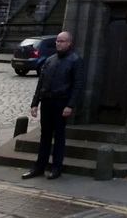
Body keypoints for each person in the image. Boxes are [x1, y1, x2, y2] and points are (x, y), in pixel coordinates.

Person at [23, 31, 85, 180]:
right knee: (45, 135)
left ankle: (56, 167)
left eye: (62, 41)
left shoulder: (75, 60)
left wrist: (70, 105)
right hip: (47, 101)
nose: (58, 43)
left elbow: (77, 85)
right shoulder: (50, 60)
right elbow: (41, 83)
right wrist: (35, 103)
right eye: (57, 41)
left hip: (61, 102)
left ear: (69, 43)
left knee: (59, 136)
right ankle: (39, 166)